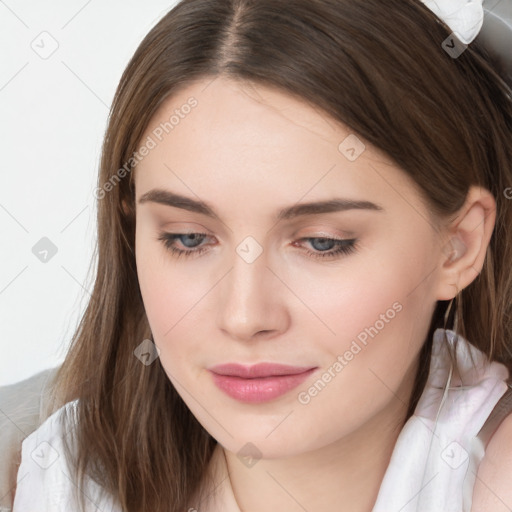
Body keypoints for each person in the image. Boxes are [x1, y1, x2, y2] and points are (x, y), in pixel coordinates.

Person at [11, 0, 512, 511]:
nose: (245, 316)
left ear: (458, 245)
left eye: (322, 242)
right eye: (188, 238)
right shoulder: (57, 479)